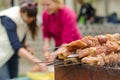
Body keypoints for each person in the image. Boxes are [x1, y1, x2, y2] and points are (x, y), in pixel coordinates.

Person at [0, 0, 48, 79]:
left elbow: (20, 35)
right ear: (20, 11)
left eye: (33, 17)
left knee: (14, 78)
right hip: (1, 54)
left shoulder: (24, 18)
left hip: (11, 54)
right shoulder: (8, 18)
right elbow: (16, 46)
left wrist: (25, 46)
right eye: (28, 17)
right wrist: (39, 62)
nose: (31, 19)